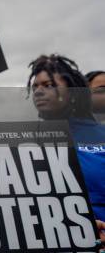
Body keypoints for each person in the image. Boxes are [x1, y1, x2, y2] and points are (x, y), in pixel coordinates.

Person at [27, 55, 105, 234]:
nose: (38, 91)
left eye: (49, 85)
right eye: (35, 87)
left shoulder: (100, 135)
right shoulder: (29, 141)